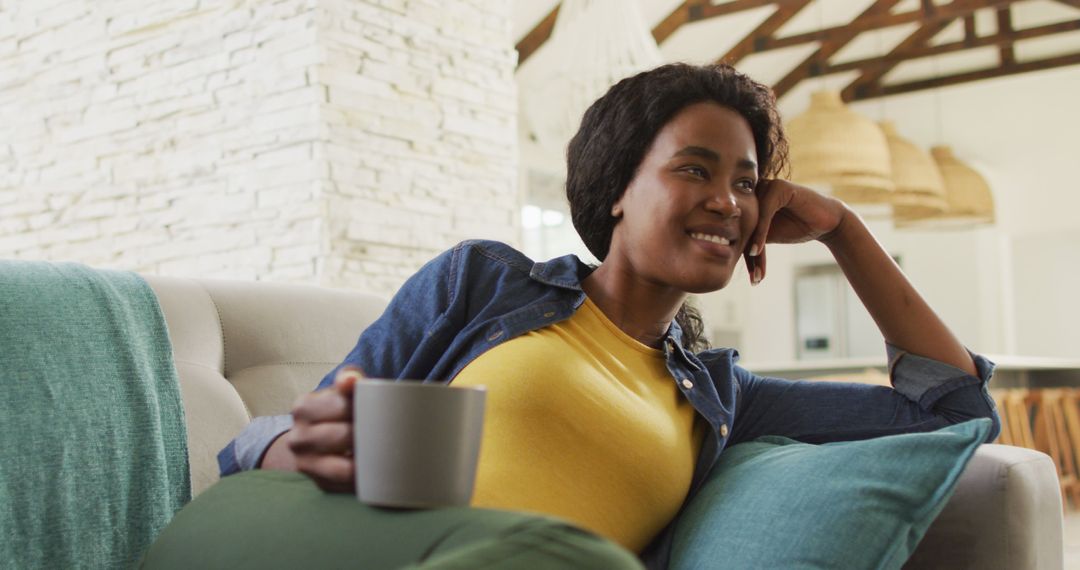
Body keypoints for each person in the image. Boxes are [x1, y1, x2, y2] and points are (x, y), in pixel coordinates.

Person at [160, 63, 1000, 569]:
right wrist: (280, 442)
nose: (727, 200)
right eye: (695, 170)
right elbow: (304, 426)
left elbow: (953, 410)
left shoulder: (721, 398)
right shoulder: (481, 283)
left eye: (746, 182)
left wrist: (845, 232)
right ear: (616, 190)